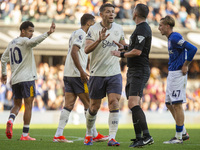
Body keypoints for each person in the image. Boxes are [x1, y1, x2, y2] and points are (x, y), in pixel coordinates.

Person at [53, 13, 108, 143]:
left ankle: (58, 134)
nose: (95, 25)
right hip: (77, 75)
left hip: (69, 73)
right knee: (89, 103)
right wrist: (82, 71)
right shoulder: (81, 34)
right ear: (89, 23)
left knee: (69, 104)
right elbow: (74, 51)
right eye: (93, 23)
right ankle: (92, 133)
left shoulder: (75, 33)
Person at [1, 21, 55, 140]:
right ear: (23, 31)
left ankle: (10, 120)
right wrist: (48, 33)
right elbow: (34, 41)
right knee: (29, 105)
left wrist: (4, 74)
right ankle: (25, 135)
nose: (31, 34)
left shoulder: (11, 43)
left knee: (17, 104)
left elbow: (3, 59)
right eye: (30, 31)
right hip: (27, 79)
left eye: (32, 32)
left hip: (15, 80)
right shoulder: (25, 41)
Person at [111, 3, 154, 148]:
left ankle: (147, 136)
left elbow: (138, 52)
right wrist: (124, 47)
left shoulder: (143, 28)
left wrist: (121, 53)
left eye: (133, 10)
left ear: (135, 13)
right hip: (134, 70)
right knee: (134, 104)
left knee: (133, 104)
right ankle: (138, 137)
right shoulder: (140, 28)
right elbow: (135, 48)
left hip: (139, 70)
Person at [84, 3, 126, 146]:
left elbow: (124, 46)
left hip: (114, 73)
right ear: (101, 14)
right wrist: (99, 40)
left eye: (113, 12)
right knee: (94, 107)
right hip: (97, 73)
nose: (111, 14)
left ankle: (112, 137)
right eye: (108, 12)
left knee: (114, 102)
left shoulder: (119, 29)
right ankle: (89, 133)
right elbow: (86, 50)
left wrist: (123, 48)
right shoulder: (93, 29)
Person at [158, 15, 197, 144]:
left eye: (161, 25)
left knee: (177, 104)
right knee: (169, 104)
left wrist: (186, 65)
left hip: (178, 74)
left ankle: (178, 137)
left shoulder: (175, 37)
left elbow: (192, 49)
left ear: (167, 26)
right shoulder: (170, 39)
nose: (159, 28)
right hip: (172, 73)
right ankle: (183, 132)